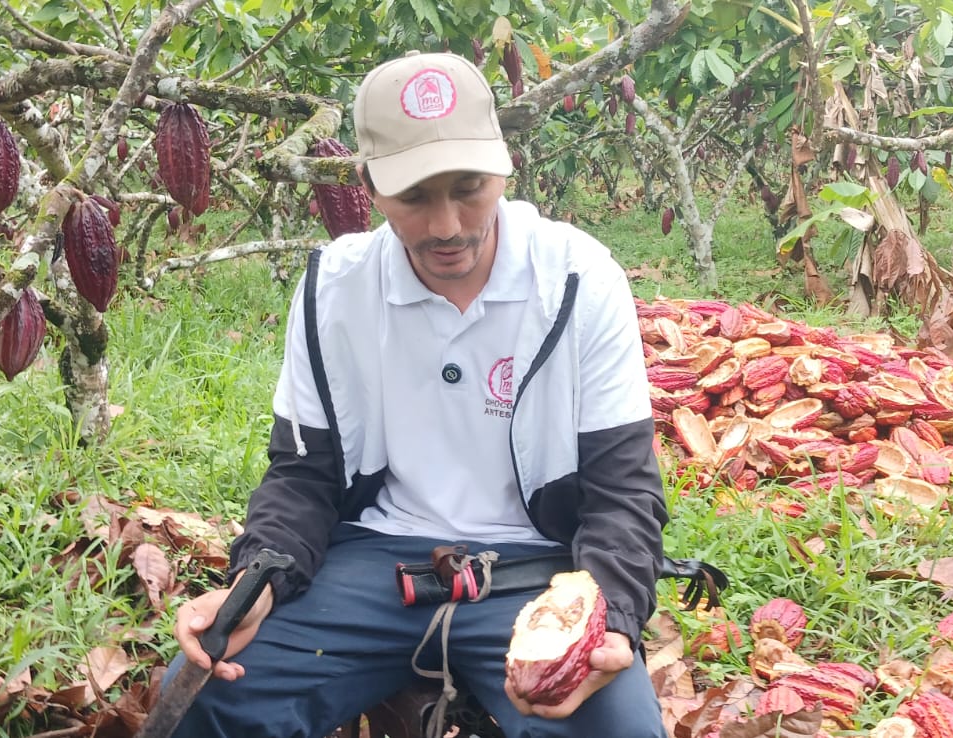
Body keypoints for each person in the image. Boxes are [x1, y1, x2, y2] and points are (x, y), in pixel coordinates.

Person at [161, 50, 670, 738]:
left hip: (536, 573)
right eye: (415, 197)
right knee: (201, 697)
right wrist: (258, 582)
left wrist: (607, 614)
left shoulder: (578, 280)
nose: (447, 226)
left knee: (614, 729)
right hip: (372, 562)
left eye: (469, 187)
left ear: (504, 165)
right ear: (368, 183)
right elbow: (303, 477)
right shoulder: (335, 289)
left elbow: (622, 490)